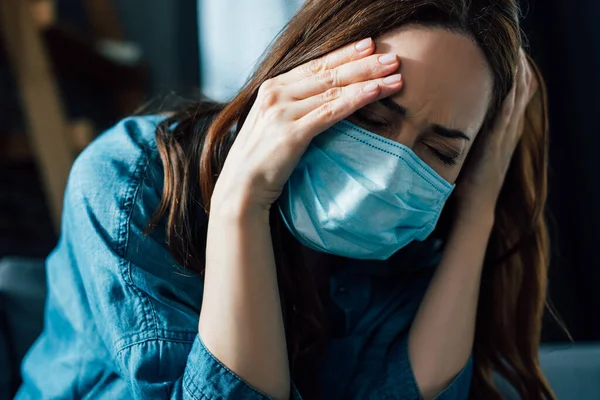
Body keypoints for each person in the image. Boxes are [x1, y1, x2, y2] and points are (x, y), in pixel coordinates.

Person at [17, 0, 554, 399]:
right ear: (304, 71)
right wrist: (240, 203)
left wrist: (478, 208)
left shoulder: (420, 239)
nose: (390, 172)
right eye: (369, 116)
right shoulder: (131, 178)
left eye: (439, 151)